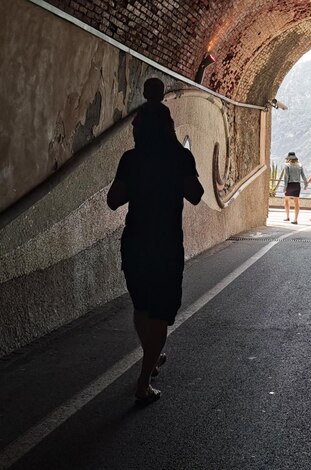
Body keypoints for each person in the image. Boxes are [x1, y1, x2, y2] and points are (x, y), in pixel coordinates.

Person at [107, 78, 204, 405]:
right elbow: (195, 195)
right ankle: (144, 382)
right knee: (160, 312)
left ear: (139, 129)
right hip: (165, 245)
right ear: (168, 127)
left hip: (135, 242)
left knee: (142, 307)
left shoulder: (130, 160)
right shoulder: (179, 158)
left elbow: (112, 201)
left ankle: (151, 355)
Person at [282, 152, 308, 224]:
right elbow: (303, 175)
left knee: (286, 200)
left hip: (290, 185)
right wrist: (306, 184)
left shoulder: (287, 165)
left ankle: (287, 217)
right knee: (296, 202)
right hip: (297, 185)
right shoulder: (300, 165)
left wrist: (285, 187)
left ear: (288, 158)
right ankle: (295, 219)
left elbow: (286, 177)